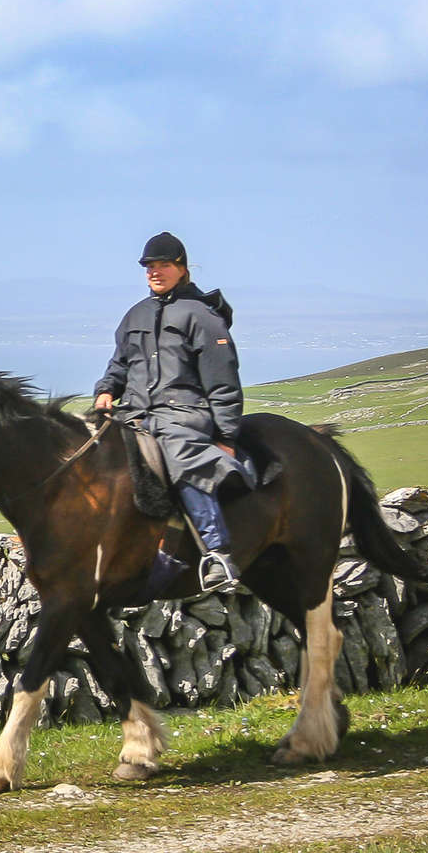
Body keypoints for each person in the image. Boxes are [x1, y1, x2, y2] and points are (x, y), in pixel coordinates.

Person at [93, 232, 249, 592]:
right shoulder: (136, 314)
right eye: (149, 266)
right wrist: (105, 391)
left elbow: (223, 380)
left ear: (182, 268)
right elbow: (120, 363)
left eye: (163, 264)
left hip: (183, 415)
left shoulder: (203, 317)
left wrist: (225, 436)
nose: (154, 272)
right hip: (133, 412)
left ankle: (217, 553)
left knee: (180, 454)